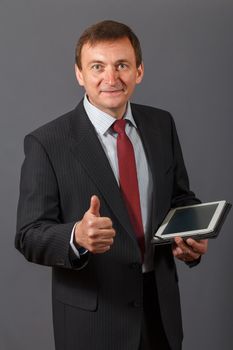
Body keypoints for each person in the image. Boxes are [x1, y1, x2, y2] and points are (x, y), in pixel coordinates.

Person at [15, 20, 208, 350]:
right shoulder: (47, 142)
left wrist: (190, 234)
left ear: (139, 71)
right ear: (79, 74)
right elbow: (28, 234)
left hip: (161, 314)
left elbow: (180, 196)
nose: (111, 78)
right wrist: (76, 236)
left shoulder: (162, 124)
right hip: (94, 323)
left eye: (122, 65)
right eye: (97, 67)